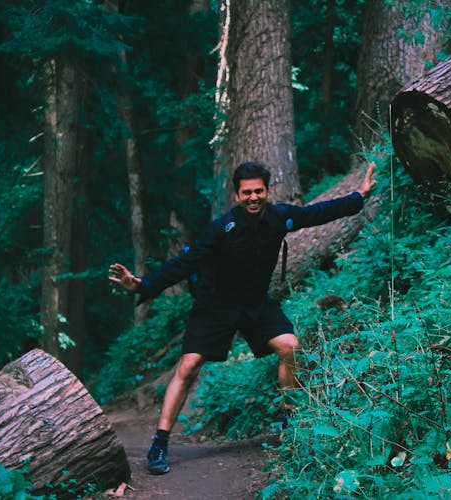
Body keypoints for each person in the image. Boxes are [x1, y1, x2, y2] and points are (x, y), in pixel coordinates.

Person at [109, 161, 376, 475]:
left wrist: (359, 196)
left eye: (258, 191)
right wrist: (144, 284)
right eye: (246, 192)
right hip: (215, 305)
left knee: (290, 346)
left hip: (253, 305)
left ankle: (288, 420)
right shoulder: (221, 230)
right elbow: (184, 263)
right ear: (237, 195)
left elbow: (318, 213)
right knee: (189, 365)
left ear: (267, 191)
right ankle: (160, 443)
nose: (253, 197)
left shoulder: (280, 217)